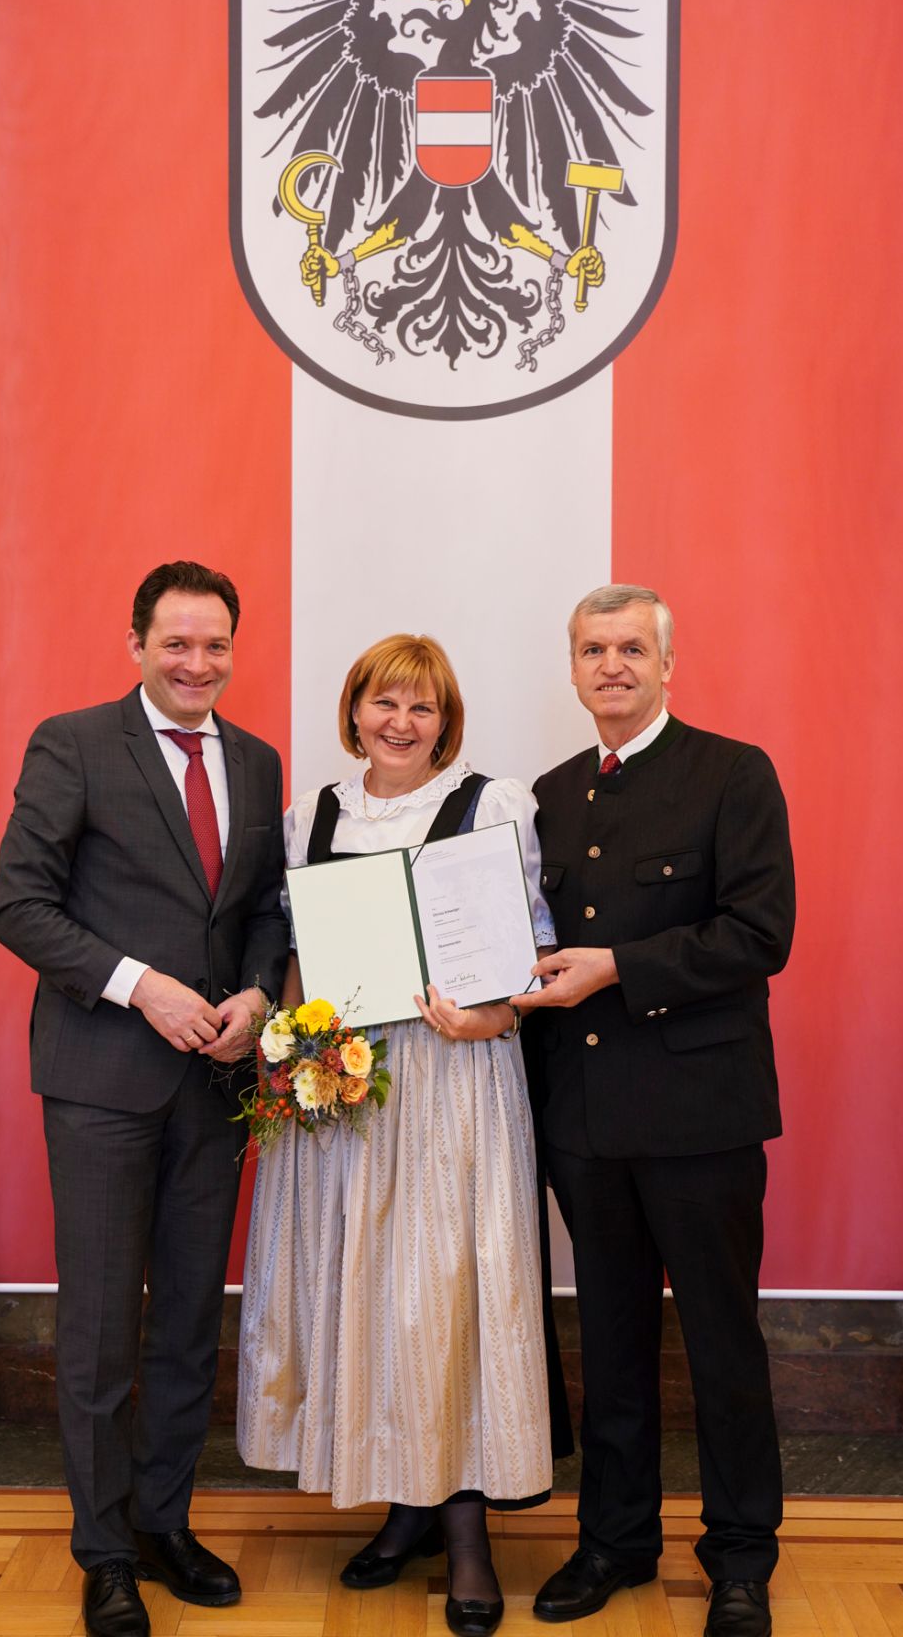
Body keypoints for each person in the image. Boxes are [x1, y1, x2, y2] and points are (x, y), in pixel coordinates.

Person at [0, 560, 290, 1637]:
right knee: (102, 1326)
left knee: (188, 1323)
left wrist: (259, 989)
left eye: (215, 645)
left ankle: (166, 1521)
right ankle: (106, 1550)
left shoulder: (256, 761)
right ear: (136, 645)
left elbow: (265, 909)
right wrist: (139, 985)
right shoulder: (72, 744)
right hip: (103, 1081)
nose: (197, 663)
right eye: (176, 643)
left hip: (216, 1082)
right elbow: (19, 906)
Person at [238, 634, 556, 1637]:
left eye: (423, 707)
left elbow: (529, 951)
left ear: (445, 721)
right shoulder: (316, 814)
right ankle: (404, 1505)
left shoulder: (492, 804)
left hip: (454, 1078)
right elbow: (300, 951)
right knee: (367, 1289)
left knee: (444, 1296)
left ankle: (466, 1534)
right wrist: (294, 1051)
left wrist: (492, 1015)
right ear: (355, 711)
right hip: (345, 1082)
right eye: (385, 702)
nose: (401, 723)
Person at [514, 585, 795, 1637]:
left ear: (668, 664)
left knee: (722, 1346)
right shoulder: (550, 793)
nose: (613, 666)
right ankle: (615, 1541)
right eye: (594, 649)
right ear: (573, 669)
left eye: (633, 648)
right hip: (585, 1119)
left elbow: (760, 933)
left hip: (700, 1117)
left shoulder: (733, 772)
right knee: (613, 1340)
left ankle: (740, 1558)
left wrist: (618, 968)